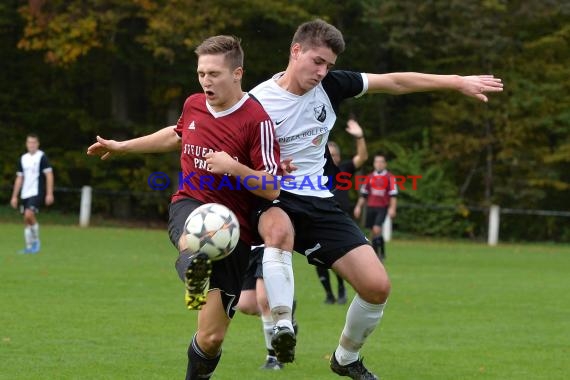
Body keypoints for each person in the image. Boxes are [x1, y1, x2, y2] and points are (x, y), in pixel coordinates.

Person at [249, 19, 503, 379]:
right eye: (317, 61)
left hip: (320, 201)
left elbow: (394, 82)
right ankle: (282, 327)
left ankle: (346, 358)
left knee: (376, 286)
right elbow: (216, 146)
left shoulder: (332, 86)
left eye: (329, 65)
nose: (323, 72)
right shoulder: (256, 102)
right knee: (277, 234)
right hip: (273, 195)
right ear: (296, 51)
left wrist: (456, 82)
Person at [87, 35, 280, 380]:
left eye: (214, 74)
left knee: (211, 338)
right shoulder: (193, 104)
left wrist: (234, 168)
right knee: (199, 231)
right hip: (190, 205)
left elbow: (271, 186)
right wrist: (122, 147)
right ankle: (193, 263)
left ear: (238, 74)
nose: (206, 81)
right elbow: (176, 136)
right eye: (201, 73)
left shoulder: (257, 120)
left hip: (237, 234)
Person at [317, 118, 368, 304]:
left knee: (339, 258)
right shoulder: (316, 171)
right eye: (330, 154)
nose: (334, 158)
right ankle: (329, 294)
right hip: (320, 221)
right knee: (320, 259)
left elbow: (362, 158)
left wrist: (360, 137)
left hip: (341, 220)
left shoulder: (344, 169)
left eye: (336, 154)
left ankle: (341, 289)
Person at [10, 133, 54, 254]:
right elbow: (19, 178)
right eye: (29, 142)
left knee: (29, 215)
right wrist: (14, 196)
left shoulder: (42, 157)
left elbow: (49, 174)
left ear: (37, 144)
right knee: (26, 220)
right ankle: (29, 247)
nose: (32, 145)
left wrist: (49, 193)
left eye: (34, 142)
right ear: (26, 144)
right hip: (25, 193)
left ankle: (36, 241)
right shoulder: (23, 158)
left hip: (37, 191)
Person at [354, 153, 397, 262]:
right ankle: (381, 253)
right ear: (374, 164)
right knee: (373, 232)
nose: (379, 164)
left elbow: (393, 195)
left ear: (385, 164)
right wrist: (358, 207)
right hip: (370, 207)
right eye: (377, 161)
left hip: (382, 207)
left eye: (381, 161)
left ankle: (377, 257)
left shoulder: (390, 177)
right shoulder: (369, 177)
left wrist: (392, 208)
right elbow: (363, 195)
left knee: (377, 229)